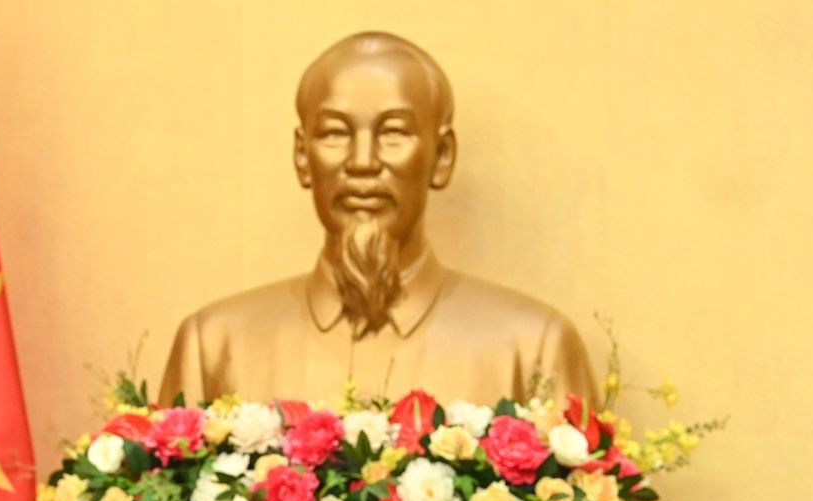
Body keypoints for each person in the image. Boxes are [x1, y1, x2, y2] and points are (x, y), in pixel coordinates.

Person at [160, 31, 596, 408]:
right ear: (302, 155)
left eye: (393, 133)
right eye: (335, 132)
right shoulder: (215, 346)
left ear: (442, 157)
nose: (363, 162)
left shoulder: (534, 348)